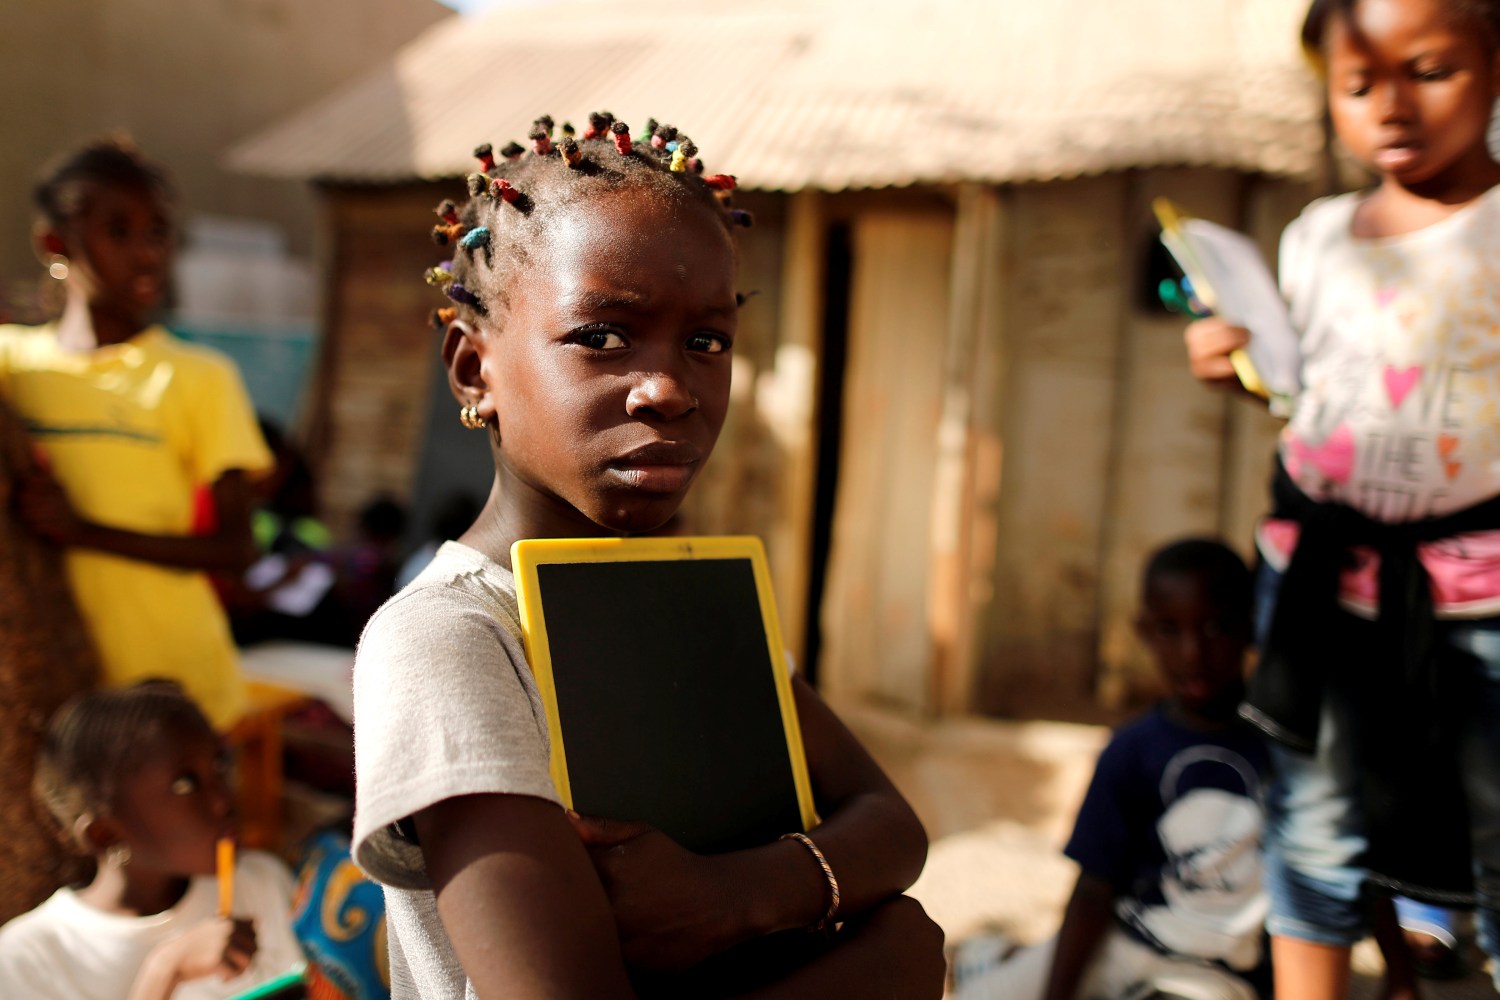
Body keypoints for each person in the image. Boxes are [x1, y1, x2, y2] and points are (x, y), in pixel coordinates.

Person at [351, 114, 946, 998]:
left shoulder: (699, 599)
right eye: (601, 337)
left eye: (707, 341)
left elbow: (892, 829)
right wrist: (880, 961)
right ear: (474, 369)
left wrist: (729, 897)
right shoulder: (452, 639)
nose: (669, 387)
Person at [1183, 1, 1500, 997]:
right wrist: (1235, 371)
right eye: (1359, 85)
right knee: (1315, 825)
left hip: (1484, 602)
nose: (1391, 105)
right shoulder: (1319, 234)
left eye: (1431, 69)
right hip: (1323, 591)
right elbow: (1305, 391)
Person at [0, 137, 272, 729]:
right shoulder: (12, 365)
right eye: (118, 231)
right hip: (51, 688)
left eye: (158, 233)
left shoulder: (196, 377)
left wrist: (83, 532)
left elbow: (236, 549)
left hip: (174, 685)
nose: (147, 254)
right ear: (55, 243)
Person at [951, 539, 1271, 1000]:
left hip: (1208, 972)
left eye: (1217, 627)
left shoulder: (1280, 751)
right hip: (1117, 944)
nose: (1192, 652)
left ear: (1250, 626)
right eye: (1168, 630)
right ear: (1142, 631)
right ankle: (997, 961)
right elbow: (1093, 890)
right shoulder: (1132, 750)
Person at [0, 681, 304, 999]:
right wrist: (166, 970)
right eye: (186, 784)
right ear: (105, 834)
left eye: (219, 765)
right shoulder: (30, 957)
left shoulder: (259, 884)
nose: (222, 800)